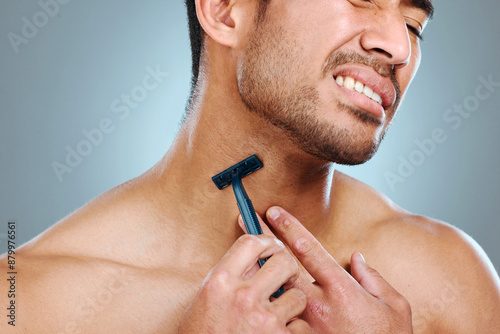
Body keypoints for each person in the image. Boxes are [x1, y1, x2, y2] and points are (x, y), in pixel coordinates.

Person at [2, 0, 500, 332]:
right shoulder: (27, 305)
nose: (399, 46)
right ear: (225, 11)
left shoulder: (448, 277)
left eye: (415, 25)